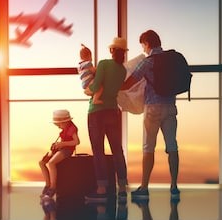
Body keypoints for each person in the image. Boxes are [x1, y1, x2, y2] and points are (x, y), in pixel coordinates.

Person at [120, 29, 180, 201]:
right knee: (172, 146)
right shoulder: (171, 60)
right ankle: (174, 186)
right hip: (170, 107)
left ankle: (144, 187)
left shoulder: (148, 62)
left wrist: (115, 88)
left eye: (143, 46)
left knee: (148, 148)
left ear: (147, 43)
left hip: (152, 108)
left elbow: (130, 82)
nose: (143, 50)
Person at [84, 37, 129, 203]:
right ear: (123, 53)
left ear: (112, 50)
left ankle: (101, 188)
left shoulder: (103, 64)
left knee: (98, 151)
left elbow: (95, 87)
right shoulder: (122, 71)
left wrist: (88, 90)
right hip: (112, 112)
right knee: (117, 150)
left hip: (96, 112)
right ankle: (122, 187)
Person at [39, 109, 80, 199]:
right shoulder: (64, 129)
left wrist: (62, 144)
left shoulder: (72, 128)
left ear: (66, 121)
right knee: (42, 163)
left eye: (59, 124)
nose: (58, 126)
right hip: (61, 149)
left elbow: (76, 142)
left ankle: (53, 187)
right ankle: (47, 184)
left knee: (51, 163)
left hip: (67, 150)